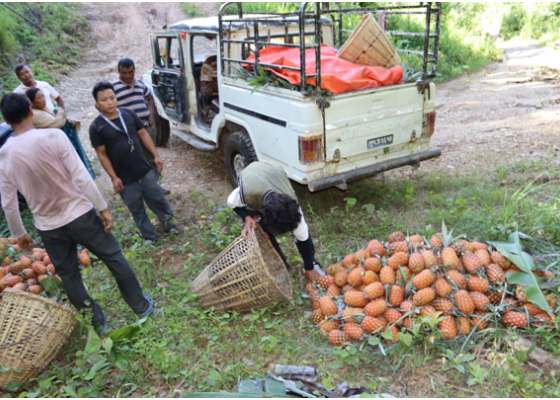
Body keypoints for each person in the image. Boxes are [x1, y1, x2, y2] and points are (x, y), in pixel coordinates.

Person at [0, 93, 154, 335]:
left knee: (69, 275)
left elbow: (8, 202)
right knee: (113, 257)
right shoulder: (53, 135)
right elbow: (80, 176)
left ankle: (97, 323)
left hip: (48, 225)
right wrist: (102, 208)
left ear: (6, 122)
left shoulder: (5, 153)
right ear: (31, 112)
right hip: (79, 213)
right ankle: (140, 305)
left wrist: (20, 233)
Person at [89, 82, 178, 246]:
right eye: (104, 100)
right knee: (136, 207)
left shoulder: (128, 114)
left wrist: (156, 155)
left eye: (112, 98)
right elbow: (101, 155)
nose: (109, 102)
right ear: (97, 104)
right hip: (123, 176)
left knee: (157, 197)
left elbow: (143, 134)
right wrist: (114, 178)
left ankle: (170, 225)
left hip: (143, 168)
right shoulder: (97, 127)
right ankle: (150, 235)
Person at [226, 161, 324, 281]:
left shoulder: (292, 205)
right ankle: (282, 265)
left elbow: (303, 237)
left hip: (272, 170)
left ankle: (312, 263)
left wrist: (309, 266)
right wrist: (246, 217)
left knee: (301, 233)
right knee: (261, 229)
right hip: (252, 174)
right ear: (260, 210)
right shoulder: (248, 193)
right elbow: (231, 202)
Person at [112, 58, 170, 195]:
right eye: (124, 73)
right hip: (127, 130)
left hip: (145, 127)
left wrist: (151, 113)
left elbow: (150, 97)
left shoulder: (140, 84)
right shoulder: (113, 87)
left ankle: (155, 187)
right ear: (118, 71)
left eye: (130, 72)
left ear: (134, 70)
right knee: (129, 159)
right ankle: (134, 189)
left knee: (151, 158)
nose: (127, 75)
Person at [26, 88, 96, 180]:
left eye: (43, 96)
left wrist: (67, 120)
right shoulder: (36, 115)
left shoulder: (44, 110)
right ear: (32, 102)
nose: (43, 99)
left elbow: (56, 119)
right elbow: (57, 123)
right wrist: (60, 111)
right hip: (52, 150)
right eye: (39, 98)